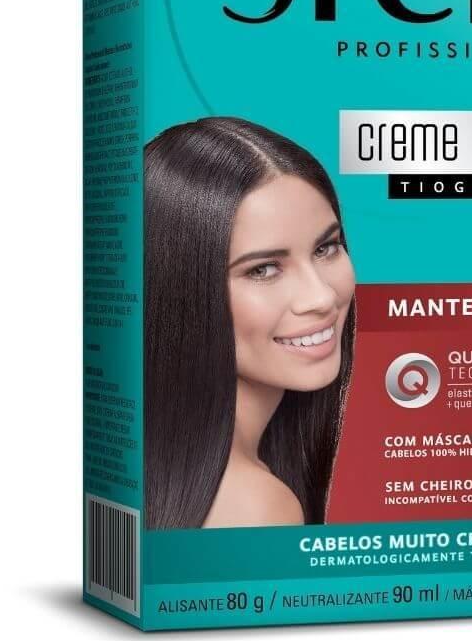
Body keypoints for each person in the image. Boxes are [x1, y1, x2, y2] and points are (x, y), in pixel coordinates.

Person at [144, 117, 356, 529]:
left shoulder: (165, 470)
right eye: (263, 270)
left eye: (326, 248)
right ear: (177, 288)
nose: (321, 297)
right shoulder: (255, 507)